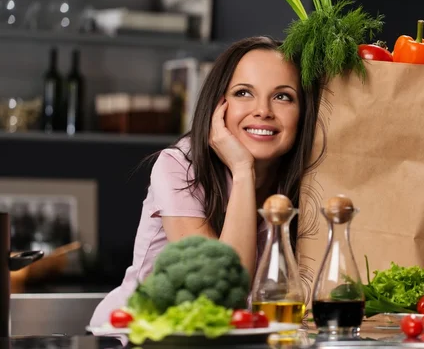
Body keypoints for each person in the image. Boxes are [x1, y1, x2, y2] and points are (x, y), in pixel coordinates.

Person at [89, 36, 322, 327]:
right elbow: (223, 296)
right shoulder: (178, 167)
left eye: (282, 96)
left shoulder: (310, 181)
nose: (263, 110)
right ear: (217, 105)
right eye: (243, 93)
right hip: (141, 337)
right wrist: (241, 170)